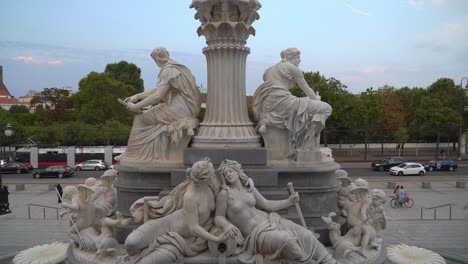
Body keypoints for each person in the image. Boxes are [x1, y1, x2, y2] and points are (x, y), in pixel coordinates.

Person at [215, 159, 336, 264]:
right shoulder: (225, 193)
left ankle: (329, 261)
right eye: (225, 174)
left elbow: (267, 204)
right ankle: (307, 262)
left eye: (230, 171)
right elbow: (218, 217)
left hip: (271, 220)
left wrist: (289, 201)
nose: (228, 175)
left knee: (306, 234)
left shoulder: (249, 188)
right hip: (256, 234)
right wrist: (226, 225)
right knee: (287, 240)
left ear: (238, 171)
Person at [123, 158, 228, 264]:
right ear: (205, 178)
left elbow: (223, 190)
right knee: (131, 243)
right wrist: (216, 239)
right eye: (212, 173)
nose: (215, 175)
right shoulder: (191, 196)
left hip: (179, 240)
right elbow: (193, 228)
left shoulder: (209, 186)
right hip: (163, 225)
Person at [119, 47, 201, 162]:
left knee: (140, 119)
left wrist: (136, 106)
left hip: (178, 111)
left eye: (154, 60)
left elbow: (158, 96)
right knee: (151, 112)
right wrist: (137, 96)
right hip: (185, 108)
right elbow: (160, 89)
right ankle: (138, 154)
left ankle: (132, 154)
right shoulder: (176, 68)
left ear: (157, 59)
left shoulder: (168, 70)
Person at [252, 48, 332, 159]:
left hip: (268, 104)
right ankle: (308, 141)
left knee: (303, 105)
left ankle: (267, 123)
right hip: (284, 103)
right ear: (291, 57)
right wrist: (316, 100)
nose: (299, 61)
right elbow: (307, 90)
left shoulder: (268, 71)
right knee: (326, 108)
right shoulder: (292, 68)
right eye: (298, 57)